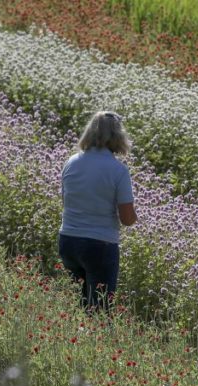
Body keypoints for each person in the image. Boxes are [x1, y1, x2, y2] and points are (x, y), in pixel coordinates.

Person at [58, 111, 137, 310]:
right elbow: (127, 219)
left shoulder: (71, 162)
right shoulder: (118, 170)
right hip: (99, 245)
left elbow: (66, 201)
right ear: (118, 136)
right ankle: (96, 340)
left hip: (68, 240)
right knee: (100, 310)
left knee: (79, 305)